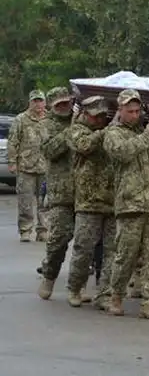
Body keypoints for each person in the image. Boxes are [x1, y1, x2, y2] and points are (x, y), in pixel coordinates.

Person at [102, 89, 149, 320]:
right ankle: (116, 295)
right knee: (125, 255)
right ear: (120, 110)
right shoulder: (113, 133)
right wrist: (148, 135)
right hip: (130, 205)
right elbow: (122, 153)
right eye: (130, 111)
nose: (135, 115)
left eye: (138, 111)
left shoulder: (147, 130)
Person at [64, 96, 117, 310]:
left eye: (103, 116)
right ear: (85, 115)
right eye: (96, 117)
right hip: (88, 201)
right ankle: (75, 288)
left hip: (113, 200)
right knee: (83, 248)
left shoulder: (110, 130)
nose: (100, 120)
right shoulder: (76, 130)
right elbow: (85, 146)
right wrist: (108, 130)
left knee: (112, 252)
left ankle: (104, 293)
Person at [37, 88, 75, 301]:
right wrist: (72, 129)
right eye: (59, 104)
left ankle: (78, 288)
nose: (64, 107)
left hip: (87, 192)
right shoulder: (46, 125)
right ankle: (49, 276)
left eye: (66, 103)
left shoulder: (80, 119)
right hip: (60, 193)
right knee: (59, 239)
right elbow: (50, 150)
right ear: (51, 106)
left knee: (89, 244)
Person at [8, 89, 48, 242]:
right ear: (30, 102)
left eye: (40, 101)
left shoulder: (50, 119)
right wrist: (12, 162)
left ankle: (43, 230)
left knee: (44, 201)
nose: (38, 104)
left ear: (45, 102)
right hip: (26, 167)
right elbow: (13, 142)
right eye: (35, 101)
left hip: (45, 166)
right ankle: (25, 229)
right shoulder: (21, 119)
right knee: (25, 201)